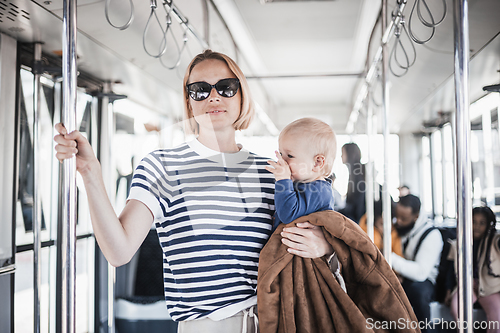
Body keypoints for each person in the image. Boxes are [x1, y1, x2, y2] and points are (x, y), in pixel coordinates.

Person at [53, 49, 334, 333]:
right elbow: (118, 251)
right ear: (189, 101)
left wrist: (323, 245)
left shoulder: (272, 172)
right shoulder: (162, 166)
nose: (214, 97)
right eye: (200, 90)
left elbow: (312, 236)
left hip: (277, 320)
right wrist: (90, 173)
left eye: (226, 87)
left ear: (241, 95)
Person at [265, 117, 337, 231]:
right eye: (281, 154)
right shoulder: (303, 184)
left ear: (317, 163)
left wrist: (283, 180)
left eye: (290, 156)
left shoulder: (320, 192)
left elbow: (288, 214)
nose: (282, 161)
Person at [391, 194, 443, 333]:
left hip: (425, 281)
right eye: (397, 216)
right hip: (401, 275)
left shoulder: (432, 235)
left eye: (404, 218)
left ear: (416, 216)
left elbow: (421, 273)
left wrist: (391, 259)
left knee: (418, 293)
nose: (399, 222)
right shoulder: (398, 228)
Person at [448, 206, 500, 333]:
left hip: (489, 287)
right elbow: (449, 270)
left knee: (496, 316)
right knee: (457, 308)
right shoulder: (457, 244)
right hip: (467, 285)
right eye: (473, 221)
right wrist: (447, 290)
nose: (476, 226)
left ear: (489, 224)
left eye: (482, 223)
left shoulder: (494, 240)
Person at [338, 142, 366, 223]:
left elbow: (357, 206)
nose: (341, 156)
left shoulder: (357, 174)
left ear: (349, 154)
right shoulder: (356, 172)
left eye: (343, 153)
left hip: (357, 220)